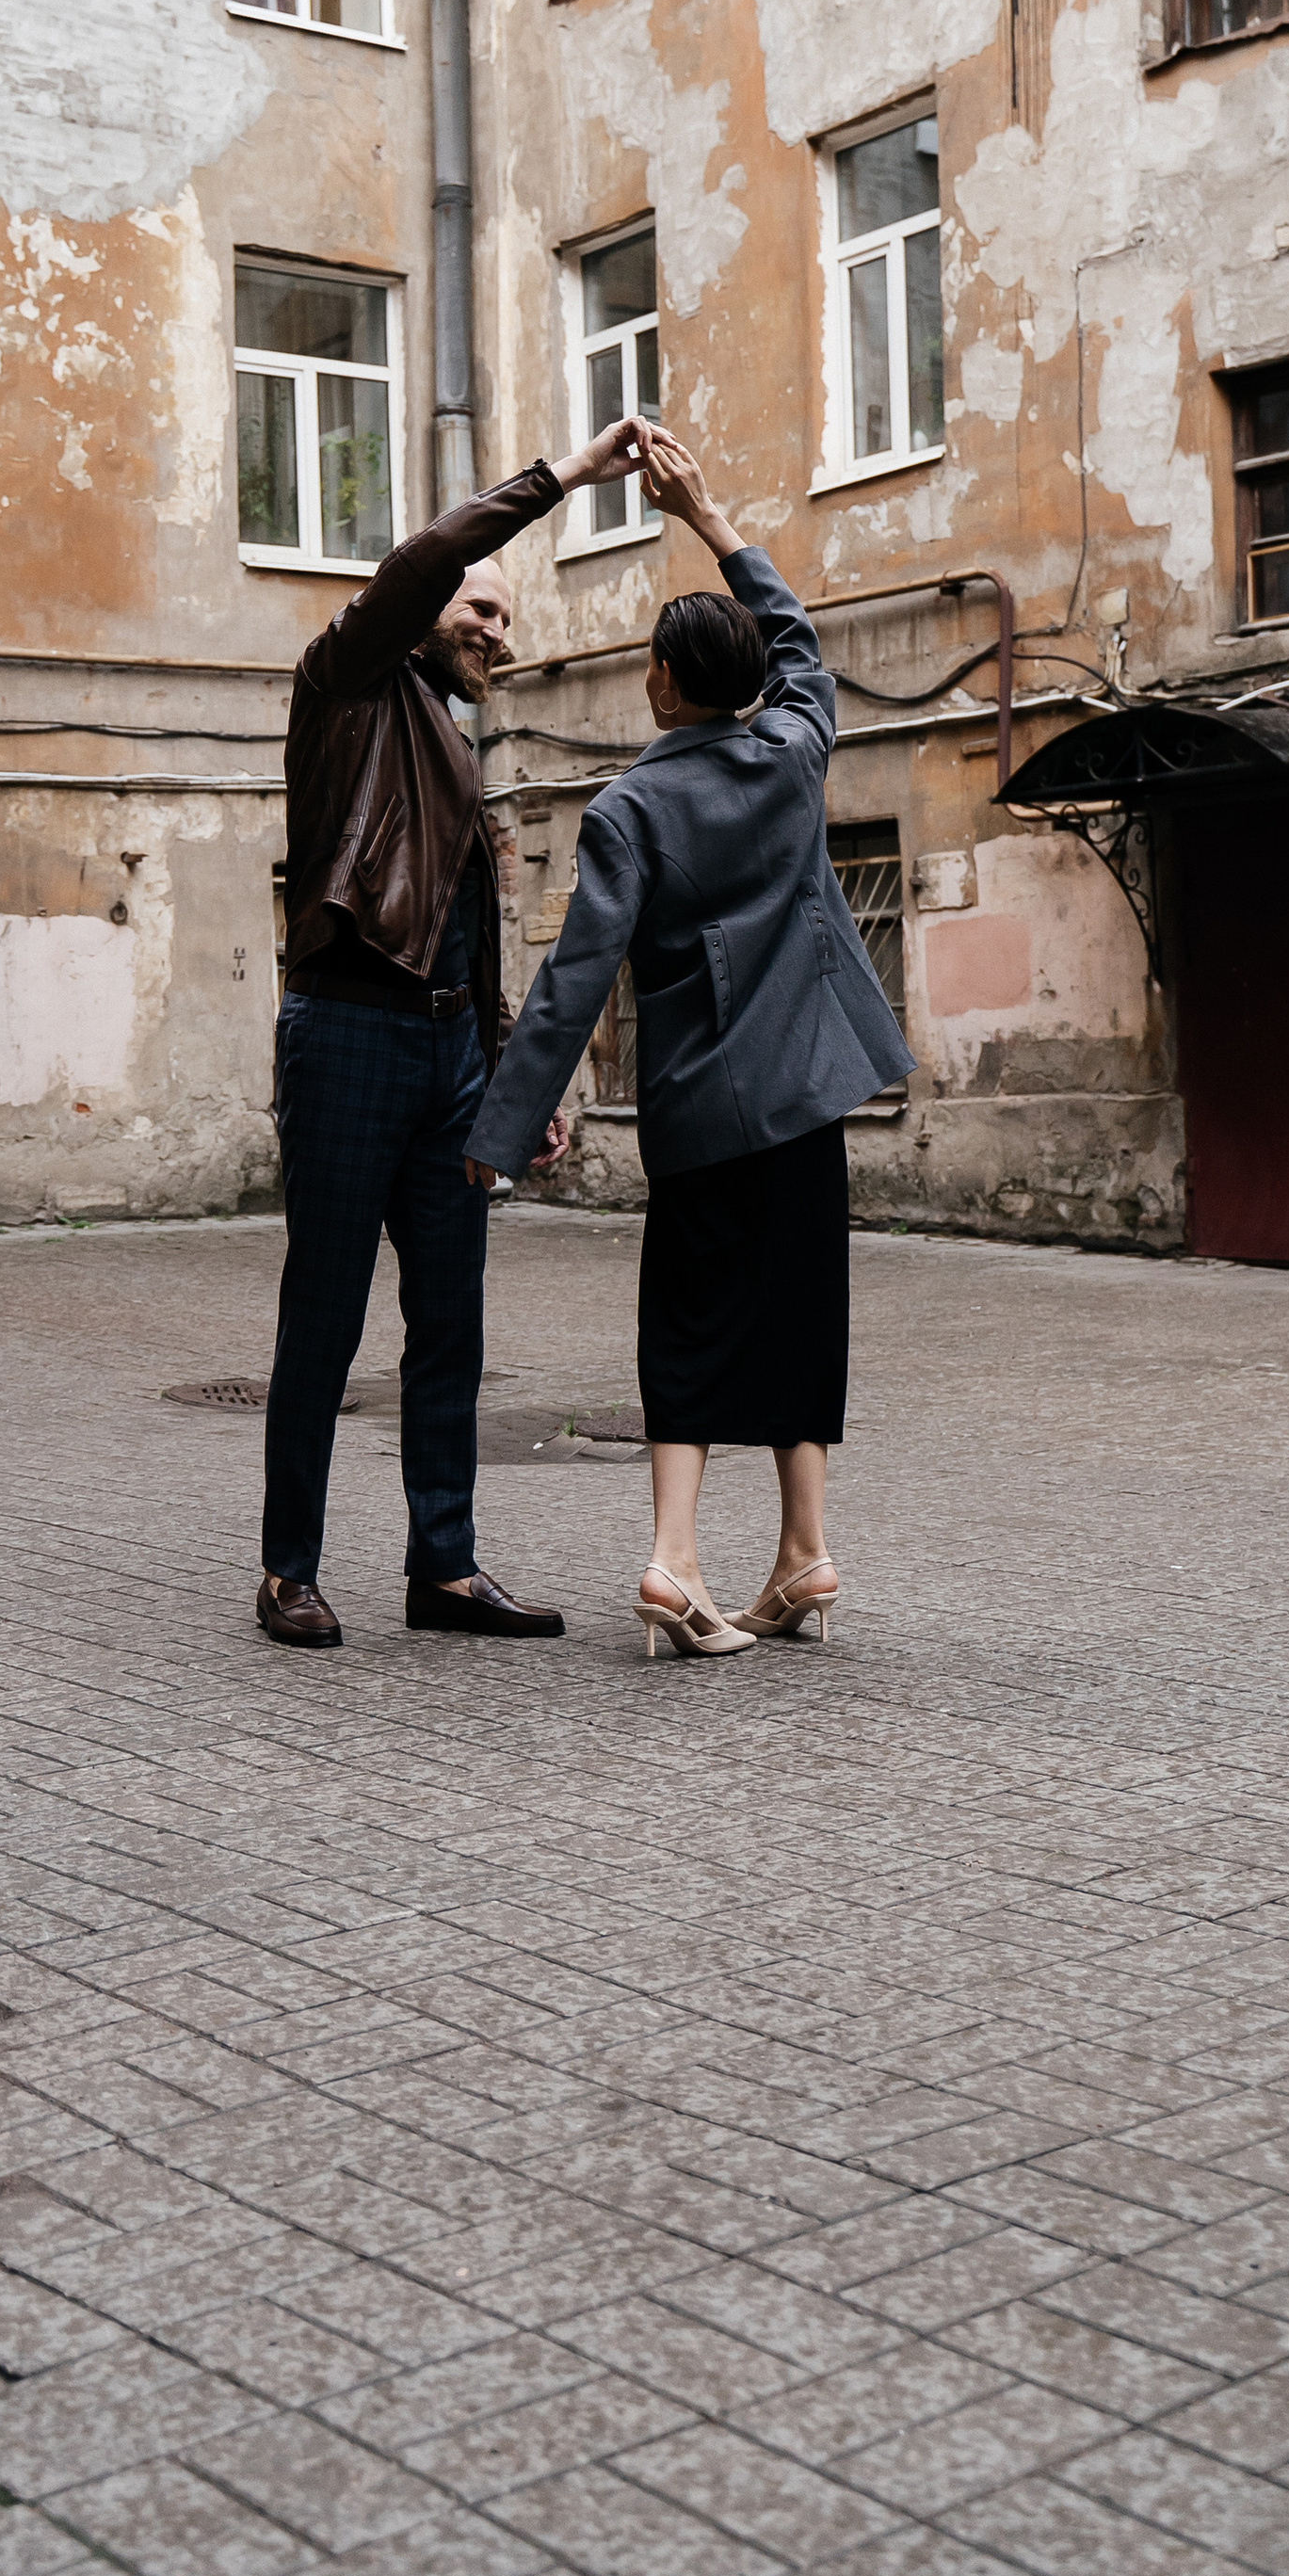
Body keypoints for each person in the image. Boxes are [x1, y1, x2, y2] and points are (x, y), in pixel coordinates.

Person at [462, 427, 912, 1656]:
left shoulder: (630, 808)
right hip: (810, 1096)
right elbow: (803, 640)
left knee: (692, 1325)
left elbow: (572, 983)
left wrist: (500, 1131)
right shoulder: (796, 747)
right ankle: (806, 1554)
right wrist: (707, 511)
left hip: (704, 1110)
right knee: (804, 1316)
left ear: (665, 682)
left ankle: (673, 1560)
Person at [257, 418, 655, 1650]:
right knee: (324, 1312)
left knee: (453, 1321)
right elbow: (429, 560)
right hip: (348, 1034)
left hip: (444, 1056)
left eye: (504, 620)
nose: (500, 632)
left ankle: (444, 1567)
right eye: (482, 610)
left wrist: (513, 1082)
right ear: (421, 605)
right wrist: (568, 479)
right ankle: (288, 1570)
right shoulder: (347, 685)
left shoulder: (455, 747)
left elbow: (468, 934)